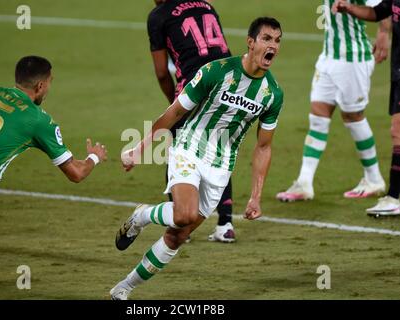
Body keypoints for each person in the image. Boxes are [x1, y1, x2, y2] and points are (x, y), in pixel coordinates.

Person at [110, 17, 284, 300]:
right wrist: (140, 148)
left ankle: (123, 288)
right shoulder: (216, 72)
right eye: (266, 39)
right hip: (189, 148)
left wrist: (256, 196)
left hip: (221, 167)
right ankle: (141, 215)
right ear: (251, 43)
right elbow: (175, 112)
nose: (272, 46)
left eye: (277, 41)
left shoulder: (272, 94)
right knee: (184, 214)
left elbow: (264, 147)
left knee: (176, 236)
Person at [0, 56, 107, 299]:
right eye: (50, 82)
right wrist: (94, 157)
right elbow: (76, 174)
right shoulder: (39, 120)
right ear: (41, 86)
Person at [276, 0, 391, 202]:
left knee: (353, 116)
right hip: (329, 57)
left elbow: (382, 6)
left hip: (353, 59)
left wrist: (383, 33)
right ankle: (304, 183)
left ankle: (374, 179)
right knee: (318, 117)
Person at [148, 0, 235, 242]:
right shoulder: (206, 5)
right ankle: (225, 224)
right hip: (229, 85)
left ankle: (178, 225)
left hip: (195, 85)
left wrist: (174, 104)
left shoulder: (159, 15)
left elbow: (162, 72)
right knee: (220, 148)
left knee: (179, 149)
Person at [332, 0, 400, 215]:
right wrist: (350, 8)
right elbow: (378, 12)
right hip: (397, 72)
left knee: (397, 132)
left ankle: (394, 197)